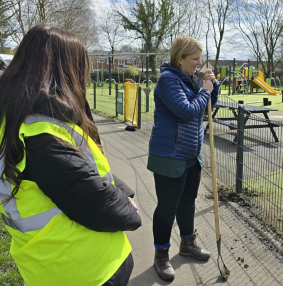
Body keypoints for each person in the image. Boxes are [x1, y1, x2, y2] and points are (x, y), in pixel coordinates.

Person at [0, 25, 141, 286]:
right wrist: (131, 212)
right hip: (88, 269)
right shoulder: (44, 135)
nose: (85, 78)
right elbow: (94, 202)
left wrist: (123, 190)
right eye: (81, 68)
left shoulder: (16, 120)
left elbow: (81, 172)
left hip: (47, 263)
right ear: (64, 72)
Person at [147, 35, 220, 281]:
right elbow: (187, 111)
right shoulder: (168, 80)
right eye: (195, 59)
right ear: (180, 59)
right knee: (168, 207)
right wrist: (205, 92)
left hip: (190, 154)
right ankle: (161, 255)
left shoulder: (189, 80)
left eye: (200, 59)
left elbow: (207, 108)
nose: (199, 63)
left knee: (188, 201)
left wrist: (212, 87)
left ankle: (187, 244)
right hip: (169, 155)